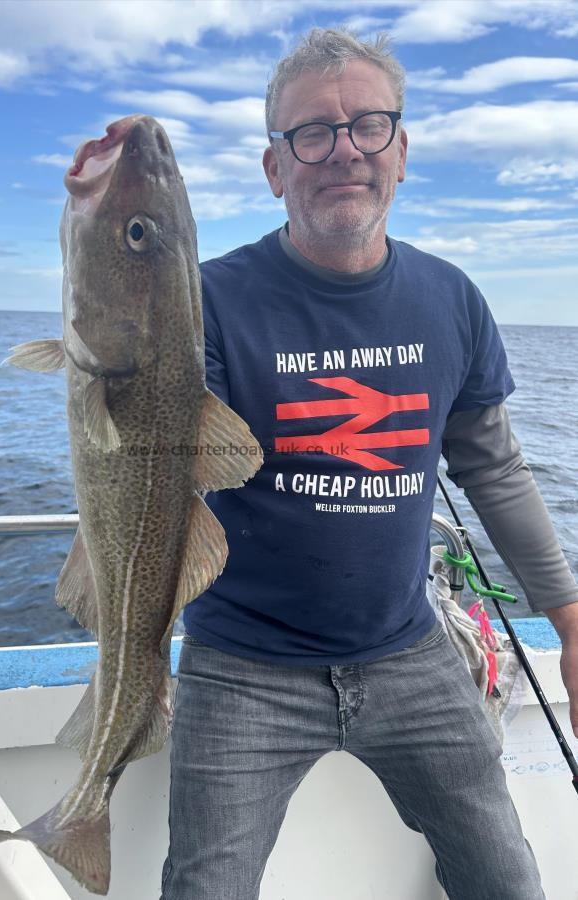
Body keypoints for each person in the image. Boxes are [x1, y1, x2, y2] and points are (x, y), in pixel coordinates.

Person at [160, 28, 578, 900]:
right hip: (240, 665)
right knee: (203, 888)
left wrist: (572, 624)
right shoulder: (203, 300)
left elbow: (493, 468)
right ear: (275, 168)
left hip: (409, 651)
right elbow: (159, 462)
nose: (342, 148)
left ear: (401, 150)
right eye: (311, 132)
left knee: (507, 879)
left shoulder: (452, 297)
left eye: (368, 125)